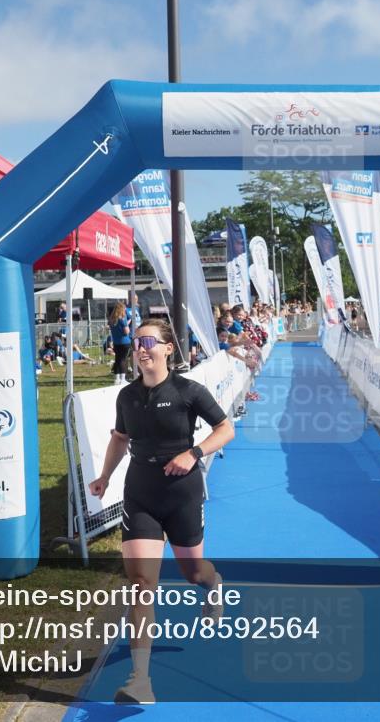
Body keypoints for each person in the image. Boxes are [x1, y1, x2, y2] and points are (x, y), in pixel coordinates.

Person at [88, 320, 236, 704]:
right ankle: (141, 680)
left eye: (149, 341)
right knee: (140, 584)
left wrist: (194, 453)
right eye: (137, 342)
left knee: (193, 572)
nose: (141, 348)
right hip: (140, 493)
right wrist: (104, 476)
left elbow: (225, 428)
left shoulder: (189, 391)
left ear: (169, 348)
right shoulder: (127, 396)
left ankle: (213, 582)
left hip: (182, 494)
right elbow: (120, 438)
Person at [110, 302, 132, 385]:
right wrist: (127, 326)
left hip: (116, 342)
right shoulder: (123, 318)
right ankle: (123, 379)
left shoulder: (111, 319)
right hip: (124, 342)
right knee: (123, 360)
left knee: (117, 359)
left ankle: (117, 379)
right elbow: (126, 332)